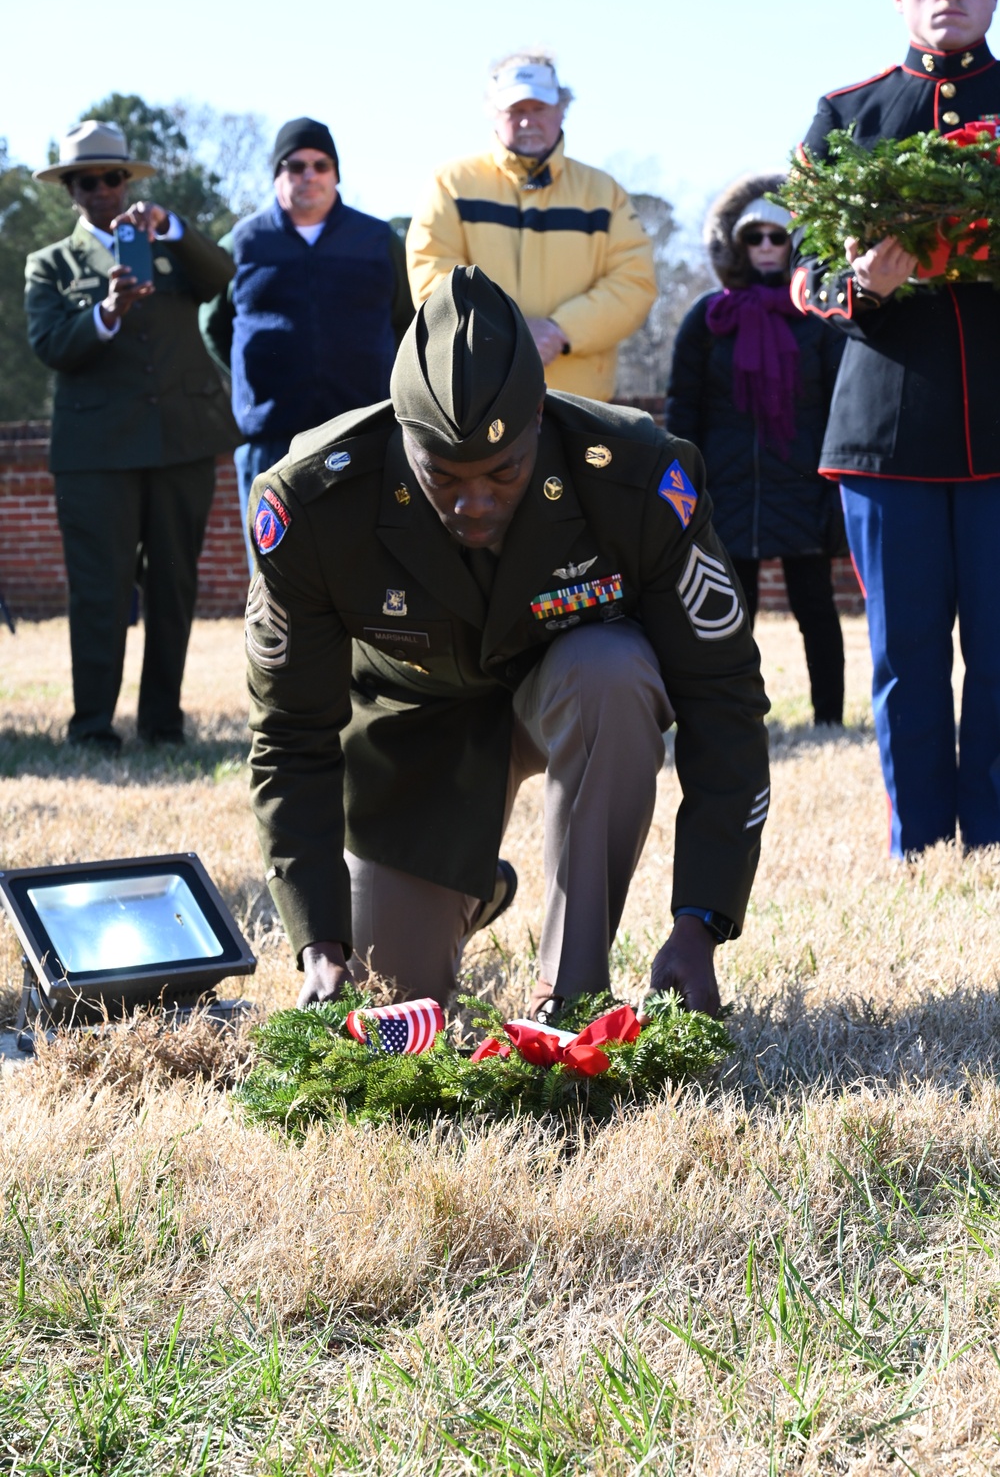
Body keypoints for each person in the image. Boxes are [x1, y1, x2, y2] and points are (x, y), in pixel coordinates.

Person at [245, 267, 770, 1021]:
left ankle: (572, 993)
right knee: (394, 999)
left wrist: (702, 922)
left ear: (539, 422)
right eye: (444, 477)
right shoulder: (312, 506)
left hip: (566, 691)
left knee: (612, 671)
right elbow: (290, 733)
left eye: (503, 471)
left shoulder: (638, 478)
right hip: (413, 725)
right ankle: (472, 881)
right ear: (403, 437)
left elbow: (723, 698)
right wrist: (318, 940)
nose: (475, 501)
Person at [792, 0, 1000, 855]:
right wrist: (857, 284)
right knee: (905, 653)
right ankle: (917, 841)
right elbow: (804, 274)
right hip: (888, 430)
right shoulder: (848, 113)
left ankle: (992, 836)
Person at [25, 120, 238, 751]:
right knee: (101, 591)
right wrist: (105, 314)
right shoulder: (51, 264)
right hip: (97, 457)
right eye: (87, 181)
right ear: (71, 189)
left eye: (113, 177)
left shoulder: (168, 245)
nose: (103, 190)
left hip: (181, 443)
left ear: (128, 180)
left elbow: (220, 276)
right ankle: (92, 726)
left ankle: (163, 724)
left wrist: (171, 226)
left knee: (174, 587)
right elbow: (49, 345)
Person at [667, 175, 846, 726]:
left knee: (816, 610)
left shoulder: (820, 319)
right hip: (726, 489)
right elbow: (683, 408)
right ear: (736, 245)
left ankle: (829, 720)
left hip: (802, 485)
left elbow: (841, 406)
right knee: (729, 615)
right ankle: (731, 718)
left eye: (779, 236)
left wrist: (831, 489)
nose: (768, 246)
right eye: (755, 237)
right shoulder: (709, 318)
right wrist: (683, 487)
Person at [200, 118, 413, 571]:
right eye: (295, 166)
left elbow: (403, 320)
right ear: (277, 174)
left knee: (366, 568)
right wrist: (256, 378)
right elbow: (213, 324)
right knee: (276, 573)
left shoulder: (377, 241)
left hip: (364, 430)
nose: (309, 175)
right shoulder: (242, 243)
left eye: (321, 165)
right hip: (272, 438)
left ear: (336, 173)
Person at [406, 52, 657, 402]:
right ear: (493, 112)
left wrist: (560, 331)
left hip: (580, 405)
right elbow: (433, 274)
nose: (528, 122)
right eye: (515, 111)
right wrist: (510, 336)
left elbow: (634, 282)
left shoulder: (605, 193)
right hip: (479, 399)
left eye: (538, 108)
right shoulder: (450, 183)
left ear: (562, 108)